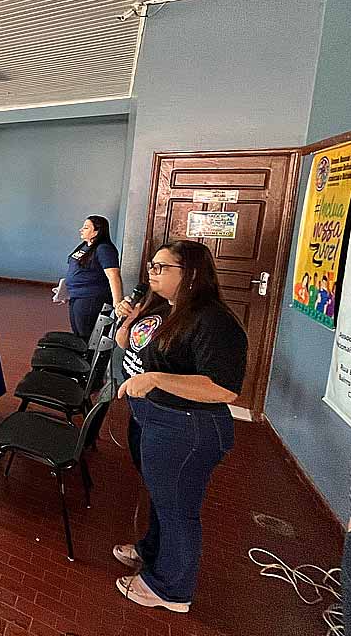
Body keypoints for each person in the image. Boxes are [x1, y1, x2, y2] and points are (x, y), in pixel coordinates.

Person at [113, 240, 247, 613]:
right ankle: (151, 550)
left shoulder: (213, 322)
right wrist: (128, 316)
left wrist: (157, 380)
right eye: (152, 267)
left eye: (161, 268)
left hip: (189, 429)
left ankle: (171, 590)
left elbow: (223, 389)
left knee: (178, 509)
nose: (151, 273)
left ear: (189, 274)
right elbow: (127, 344)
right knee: (161, 495)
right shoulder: (161, 306)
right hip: (153, 418)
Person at [65, 215, 123, 338]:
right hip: (77, 296)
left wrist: (118, 303)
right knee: (77, 333)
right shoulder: (85, 246)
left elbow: (113, 275)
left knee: (86, 334)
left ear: (96, 231)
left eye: (86, 227)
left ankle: (86, 357)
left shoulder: (104, 249)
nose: (81, 230)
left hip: (91, 297)